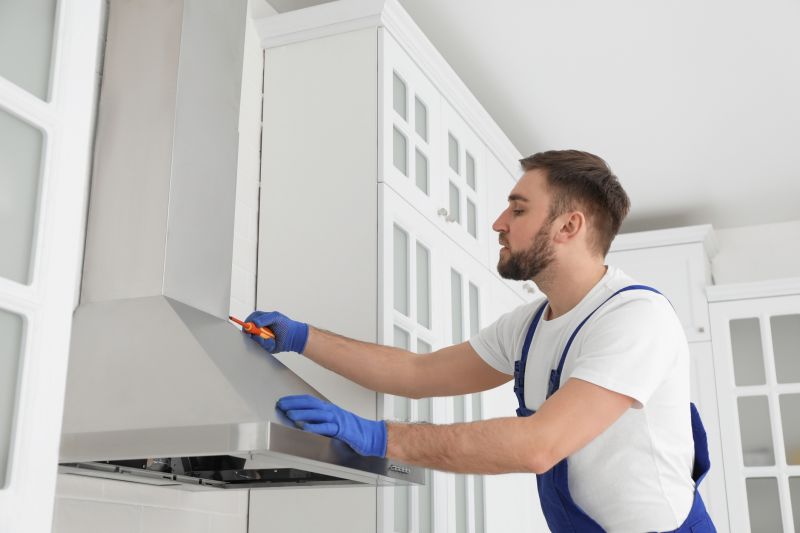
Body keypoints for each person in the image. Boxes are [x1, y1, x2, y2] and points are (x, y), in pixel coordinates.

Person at [245, 150, 715, 532]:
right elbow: (417, 373)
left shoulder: (635, 318)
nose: (498, 223)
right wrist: (301, 338)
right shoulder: (528, 327)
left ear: (569, 226)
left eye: (518, 209)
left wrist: (379, 437)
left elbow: (539, 445)